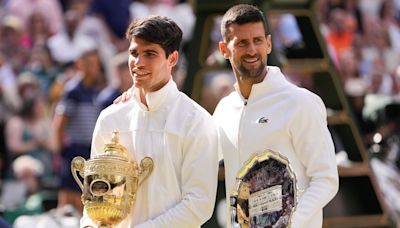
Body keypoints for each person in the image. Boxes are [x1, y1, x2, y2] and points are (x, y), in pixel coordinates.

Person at [80, 15, 219, 227]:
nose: (138, 62)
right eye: (134, 53)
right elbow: (96, 197)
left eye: (150, 54)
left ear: (172, 59)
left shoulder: (196, 121)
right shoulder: (110, 118)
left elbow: (199, 204)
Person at [213, 4, 339, 227]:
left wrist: (284, 223)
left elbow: (326, 179)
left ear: (269, 43)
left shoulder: (301, 102)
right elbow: (196, 157)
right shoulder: (224, 109)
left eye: (258, 41)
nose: (252, 50)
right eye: (242, 42)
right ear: (224, 49)